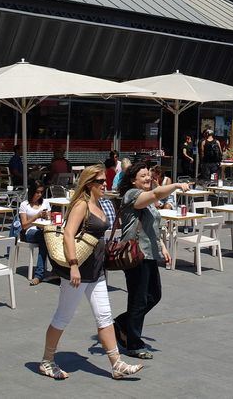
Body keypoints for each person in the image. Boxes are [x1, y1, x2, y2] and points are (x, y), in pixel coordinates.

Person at [38, 163, 142, 381]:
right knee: (63, 316)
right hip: (78, 271)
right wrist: (74, 265)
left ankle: (117, 364)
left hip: (96, 270)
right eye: (100, 181)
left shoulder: (99, 203)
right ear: (89, 184)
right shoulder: (82, 205)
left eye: (105, 180)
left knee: (104, 316)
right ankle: (47, 361)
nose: (105, 184)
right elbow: (68, 235)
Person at [114, 163, 189, 359]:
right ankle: (133, 344)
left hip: (149, 254)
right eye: (143, 176)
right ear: (133, 180)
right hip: (135, 254)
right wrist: (174, 186)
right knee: (138, 299)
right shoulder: (132, 195)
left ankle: (122, 323)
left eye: (149, 175)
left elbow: (152, 226)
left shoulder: (147, 200)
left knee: (154, 295)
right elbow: (156, 195)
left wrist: (162, 246)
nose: (148, 178)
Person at [14, 183, 51, 285]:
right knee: (45, 237)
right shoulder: (24, 205)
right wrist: (36, 216)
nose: (39, 195)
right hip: (28, 232)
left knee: (51, 237)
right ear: (32, 192)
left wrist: (46, 217)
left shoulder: (45, 203)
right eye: (37, 192)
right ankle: (40, 274)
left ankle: (44, 273)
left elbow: (50, 219)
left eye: (41, 192)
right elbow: (24, 225)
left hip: (43, 231)